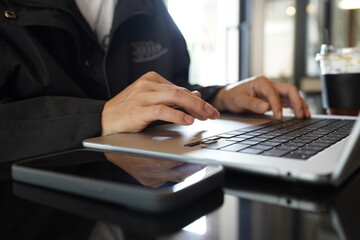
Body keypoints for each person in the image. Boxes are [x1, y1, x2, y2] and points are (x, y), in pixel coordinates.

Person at [0, 0, 310, 162]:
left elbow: (170, 84)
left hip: (144, 200)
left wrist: (220, 96)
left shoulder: (151, 5)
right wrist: (99, 116)